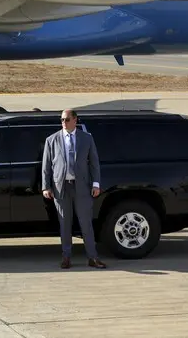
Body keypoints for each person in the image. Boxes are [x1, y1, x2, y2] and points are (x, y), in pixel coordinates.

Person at [41, 109, 106, 269]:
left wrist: (96, 184)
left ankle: (93, 257)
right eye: (62, 119)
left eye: (67, 119)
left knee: (86, 224)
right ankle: (66, 257)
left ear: (75, 120)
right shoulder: (52, 140)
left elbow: (94, 163)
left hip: (82, 187)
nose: (64, 122)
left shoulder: (86, 138)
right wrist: (46, 186)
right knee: (64, 223)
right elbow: (46, 166)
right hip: (60, 188)